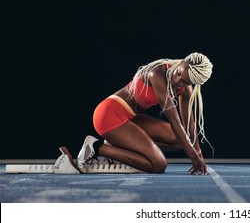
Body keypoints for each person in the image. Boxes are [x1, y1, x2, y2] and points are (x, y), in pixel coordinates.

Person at [76, 52, 213, 175]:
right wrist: (194, 158)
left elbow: (189, 124)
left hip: (130, 118)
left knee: (179, 141)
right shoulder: (157, 73)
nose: (177, 80)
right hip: (109, 115)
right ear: (182, 62)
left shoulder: (185, 89)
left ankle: (118, 148)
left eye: (184, 82)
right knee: (158, 165)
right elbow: (175, 121)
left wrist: (199, 154)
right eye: (178, 73)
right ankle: (96, 148)